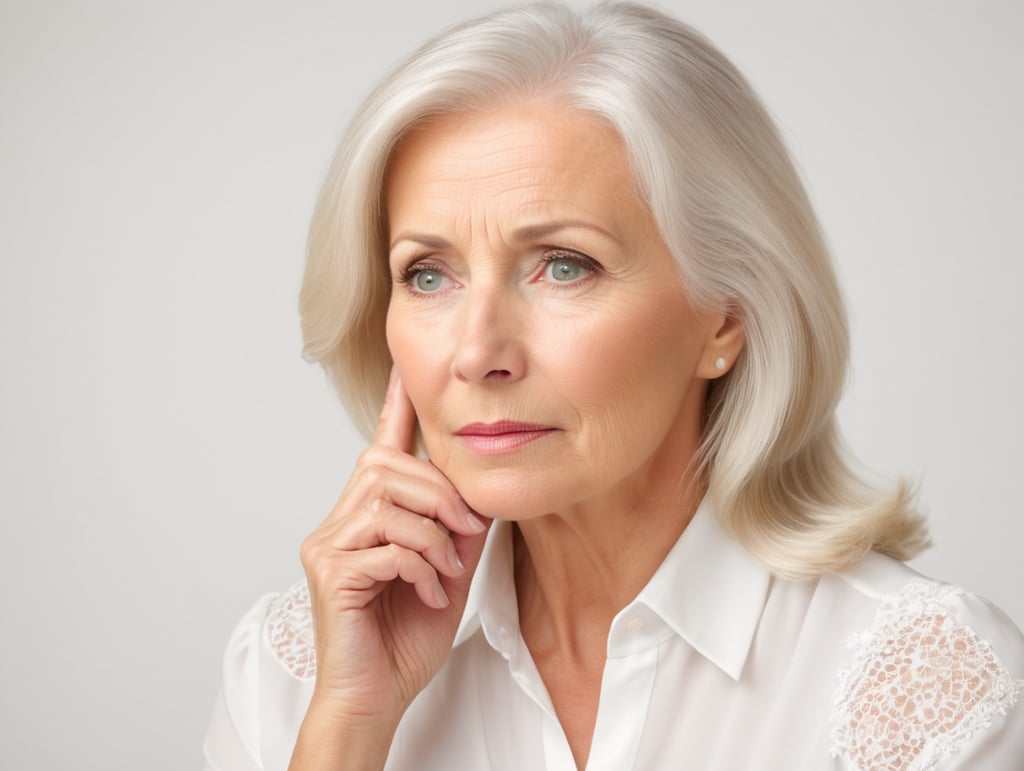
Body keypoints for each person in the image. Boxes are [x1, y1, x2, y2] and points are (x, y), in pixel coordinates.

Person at [203, 3, 1024, 769]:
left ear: (724, 318)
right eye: (427, 275)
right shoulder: (295, 673)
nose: (478, 351)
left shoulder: (926, 683)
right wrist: (347, 729)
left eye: (564, 265)